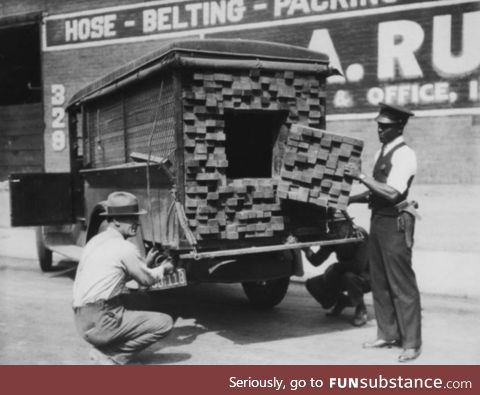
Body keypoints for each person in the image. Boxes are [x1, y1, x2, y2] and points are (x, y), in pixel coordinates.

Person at [346, 102, 422, 362]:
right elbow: (375, 189)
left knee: (402, 284)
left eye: (386, 127)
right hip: (377, 220)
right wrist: (351, 200)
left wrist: (362, 176)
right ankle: (387, 333)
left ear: (399, 126)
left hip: (395, 223)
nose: (380, 130)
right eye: (379, 126)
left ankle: (411, 343)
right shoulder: (382, 152)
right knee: (379, 281)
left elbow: (392, 192)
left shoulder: (405, 155)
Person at [72, 191, 174, 365]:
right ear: (116, 220)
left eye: (136, 217)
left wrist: (144, 266)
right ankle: (113, 356)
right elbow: (147, 281)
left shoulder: (95, 241)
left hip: (81, 318)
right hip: (101, 319)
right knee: (165, 323)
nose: (137, 223)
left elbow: (110, 276)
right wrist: (163, 269)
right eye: (130, 218)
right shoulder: (124, 247)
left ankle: (105, 344)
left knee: (142, 299)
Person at [303, 210, 370, 327]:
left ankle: (361, 309)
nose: (332, 229)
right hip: (344, 273)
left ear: (347, 224)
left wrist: (335, 267)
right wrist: (306, 249)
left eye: (336, 225)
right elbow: (317, 261)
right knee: (312, 284)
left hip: (368, 276)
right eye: (331, 226)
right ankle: (341, 301)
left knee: (349, 277)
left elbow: (358, 266)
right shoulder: (334, 238)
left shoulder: (359, 234)